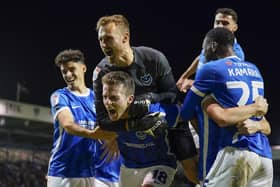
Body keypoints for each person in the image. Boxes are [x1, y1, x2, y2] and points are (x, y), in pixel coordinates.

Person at [92, 14, 198, 184]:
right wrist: (128, 127)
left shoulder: (153, 59)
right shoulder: (101, 72)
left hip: (167, 120)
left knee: (193, 171)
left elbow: (172, 96)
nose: (104, 45)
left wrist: (148, 100)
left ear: (125, 37)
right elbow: (103, 120)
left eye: (109, 39)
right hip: (136, 134)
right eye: (101, 40)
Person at [180, 27, 273, 186]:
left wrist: (202, 96)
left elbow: (185, 113)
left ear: (212, 46)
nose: (203, 53)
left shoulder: (210, 70)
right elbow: (262, 118)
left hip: (234, 152)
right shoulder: (254, 70)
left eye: (204, 48)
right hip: (264, 156)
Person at [47, 49, 121, 187]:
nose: (68, 74)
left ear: (83, 68)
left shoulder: (97, 99)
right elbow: (68, 124)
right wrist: (91, 134)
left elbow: (112, 123)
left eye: (71, 69)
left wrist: (116, 136)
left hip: (89, 172)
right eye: (64, 71)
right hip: (63, 172)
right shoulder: (59, 96)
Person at [101, 71, 179, 187]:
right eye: (105, 97)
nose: (108, 103)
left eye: (114, 98)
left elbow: (181, 113)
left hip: (160, 164)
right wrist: (109, 137)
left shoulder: (153, 111)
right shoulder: (107, 119)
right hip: (128, 168)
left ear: (130, 99)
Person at [177, 8, 244, 93]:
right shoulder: (212, 41)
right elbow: (201, 57)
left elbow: (224, 84)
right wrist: (184, 77)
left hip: (213, 102)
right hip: (198, 94)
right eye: (217, 22)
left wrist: (193, 83)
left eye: (225, 23)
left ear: (235, 27)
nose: (219, 26)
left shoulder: (236, 54)